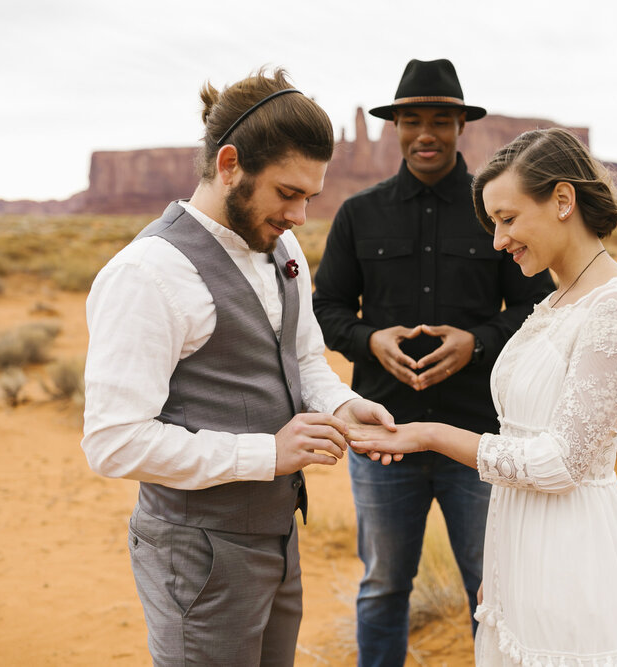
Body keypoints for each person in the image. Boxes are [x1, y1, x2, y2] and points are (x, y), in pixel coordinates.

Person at [80, 67, 394, 667]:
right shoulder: (147, 274)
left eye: (310, 196)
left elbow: (303, 359)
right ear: (230, 165)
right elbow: (113, 442)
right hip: (198, 558)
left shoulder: (282, 246)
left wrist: (341, 404)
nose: (300, 215)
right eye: (286, 193)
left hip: (277, 539)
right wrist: (265, 455)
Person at [349, 128, 617, 666]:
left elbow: (562, 462)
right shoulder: (556, 298)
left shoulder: (615, 307)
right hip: (520, 555)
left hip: (569, 557)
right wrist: (498, 572)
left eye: (508, 219)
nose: (497, 242)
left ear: (563, 200)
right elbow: (520, 436)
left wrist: (429, 435)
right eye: (493, 223)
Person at [312, 59, 554, 665]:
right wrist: (370, 341)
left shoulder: (495, 211)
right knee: (384, 585)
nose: (426, 133)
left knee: (492, 587)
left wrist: (478, 341)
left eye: (440, 120)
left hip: (476, 436)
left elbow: (534, 306)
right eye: (412, 119)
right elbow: (328, 307)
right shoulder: (358, 214)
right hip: (383, 436)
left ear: (460, 126)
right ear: (394, 126)